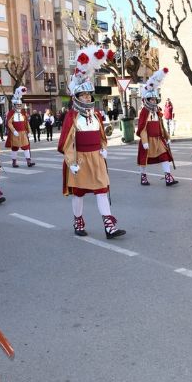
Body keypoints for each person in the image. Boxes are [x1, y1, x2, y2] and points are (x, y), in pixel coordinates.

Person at [58, 45, 126, 239]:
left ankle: (109, 226)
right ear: (76, 97)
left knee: (101, 190)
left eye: (89, 95)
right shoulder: (71, 116)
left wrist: (104, 148)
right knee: (78, 193)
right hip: (79, 160)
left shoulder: (95, 114)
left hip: (96, 157)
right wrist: (71, 163)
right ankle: (78, 221)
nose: (87, 97)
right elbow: (67, 142)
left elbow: (102, 135)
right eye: (83, 95)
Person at [136, 67, 178, 186]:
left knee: (164, 156)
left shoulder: (157, 110)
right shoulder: (144, 111)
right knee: (144, 159)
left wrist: (167, 136)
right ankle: (143, 177)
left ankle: (168, 177)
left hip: (159, 139)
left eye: (155, 99)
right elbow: (142, 127)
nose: (154, 101)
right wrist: (144, 141)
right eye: (152, 99)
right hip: (148, 139)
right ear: (147, 99)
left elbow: (161, 125)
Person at [5, 86, 34, 168]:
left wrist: (29, 131)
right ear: (14, 105)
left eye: (20, 105)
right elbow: (9, 123)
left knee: (26, 146)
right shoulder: (11, 113)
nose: (19, 106)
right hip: (15, 133)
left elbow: (26, 123)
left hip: (23, 132)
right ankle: (14, 162)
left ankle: (29, 161)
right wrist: (13, 131)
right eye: (17, 105)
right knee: (15, 148)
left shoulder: (23, 112)